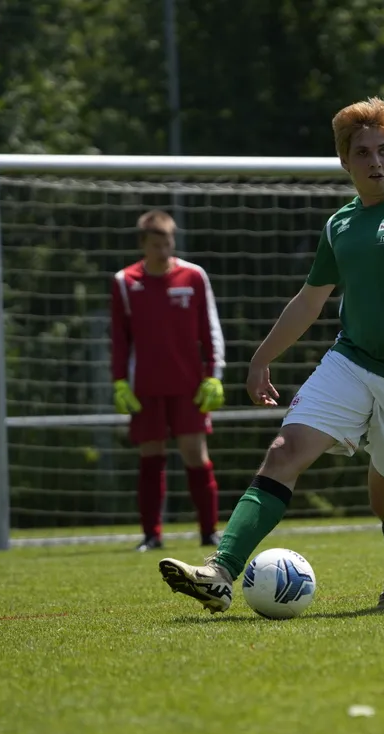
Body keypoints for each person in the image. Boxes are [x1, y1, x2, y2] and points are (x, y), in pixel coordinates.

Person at [158, 96, 384, 613]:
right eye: (363, 153)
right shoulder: (339, 226)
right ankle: (221, 572)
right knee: (284, 452)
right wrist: (260, 358)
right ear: (345, 160)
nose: (376, 162)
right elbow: (310, 300)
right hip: (353, 360)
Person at [110, 210, 225, 552]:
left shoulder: (193, 276)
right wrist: (118, 382)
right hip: (145, 387)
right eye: (157, 244)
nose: (164, 250)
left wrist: (214, 377)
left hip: (190, 386)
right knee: (150, 457)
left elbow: (211, 329)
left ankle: (209, 532)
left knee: (195, 454)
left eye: (168, 243)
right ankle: (151, 535)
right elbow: (119, 338)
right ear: (143, 244)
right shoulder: (124, 282)